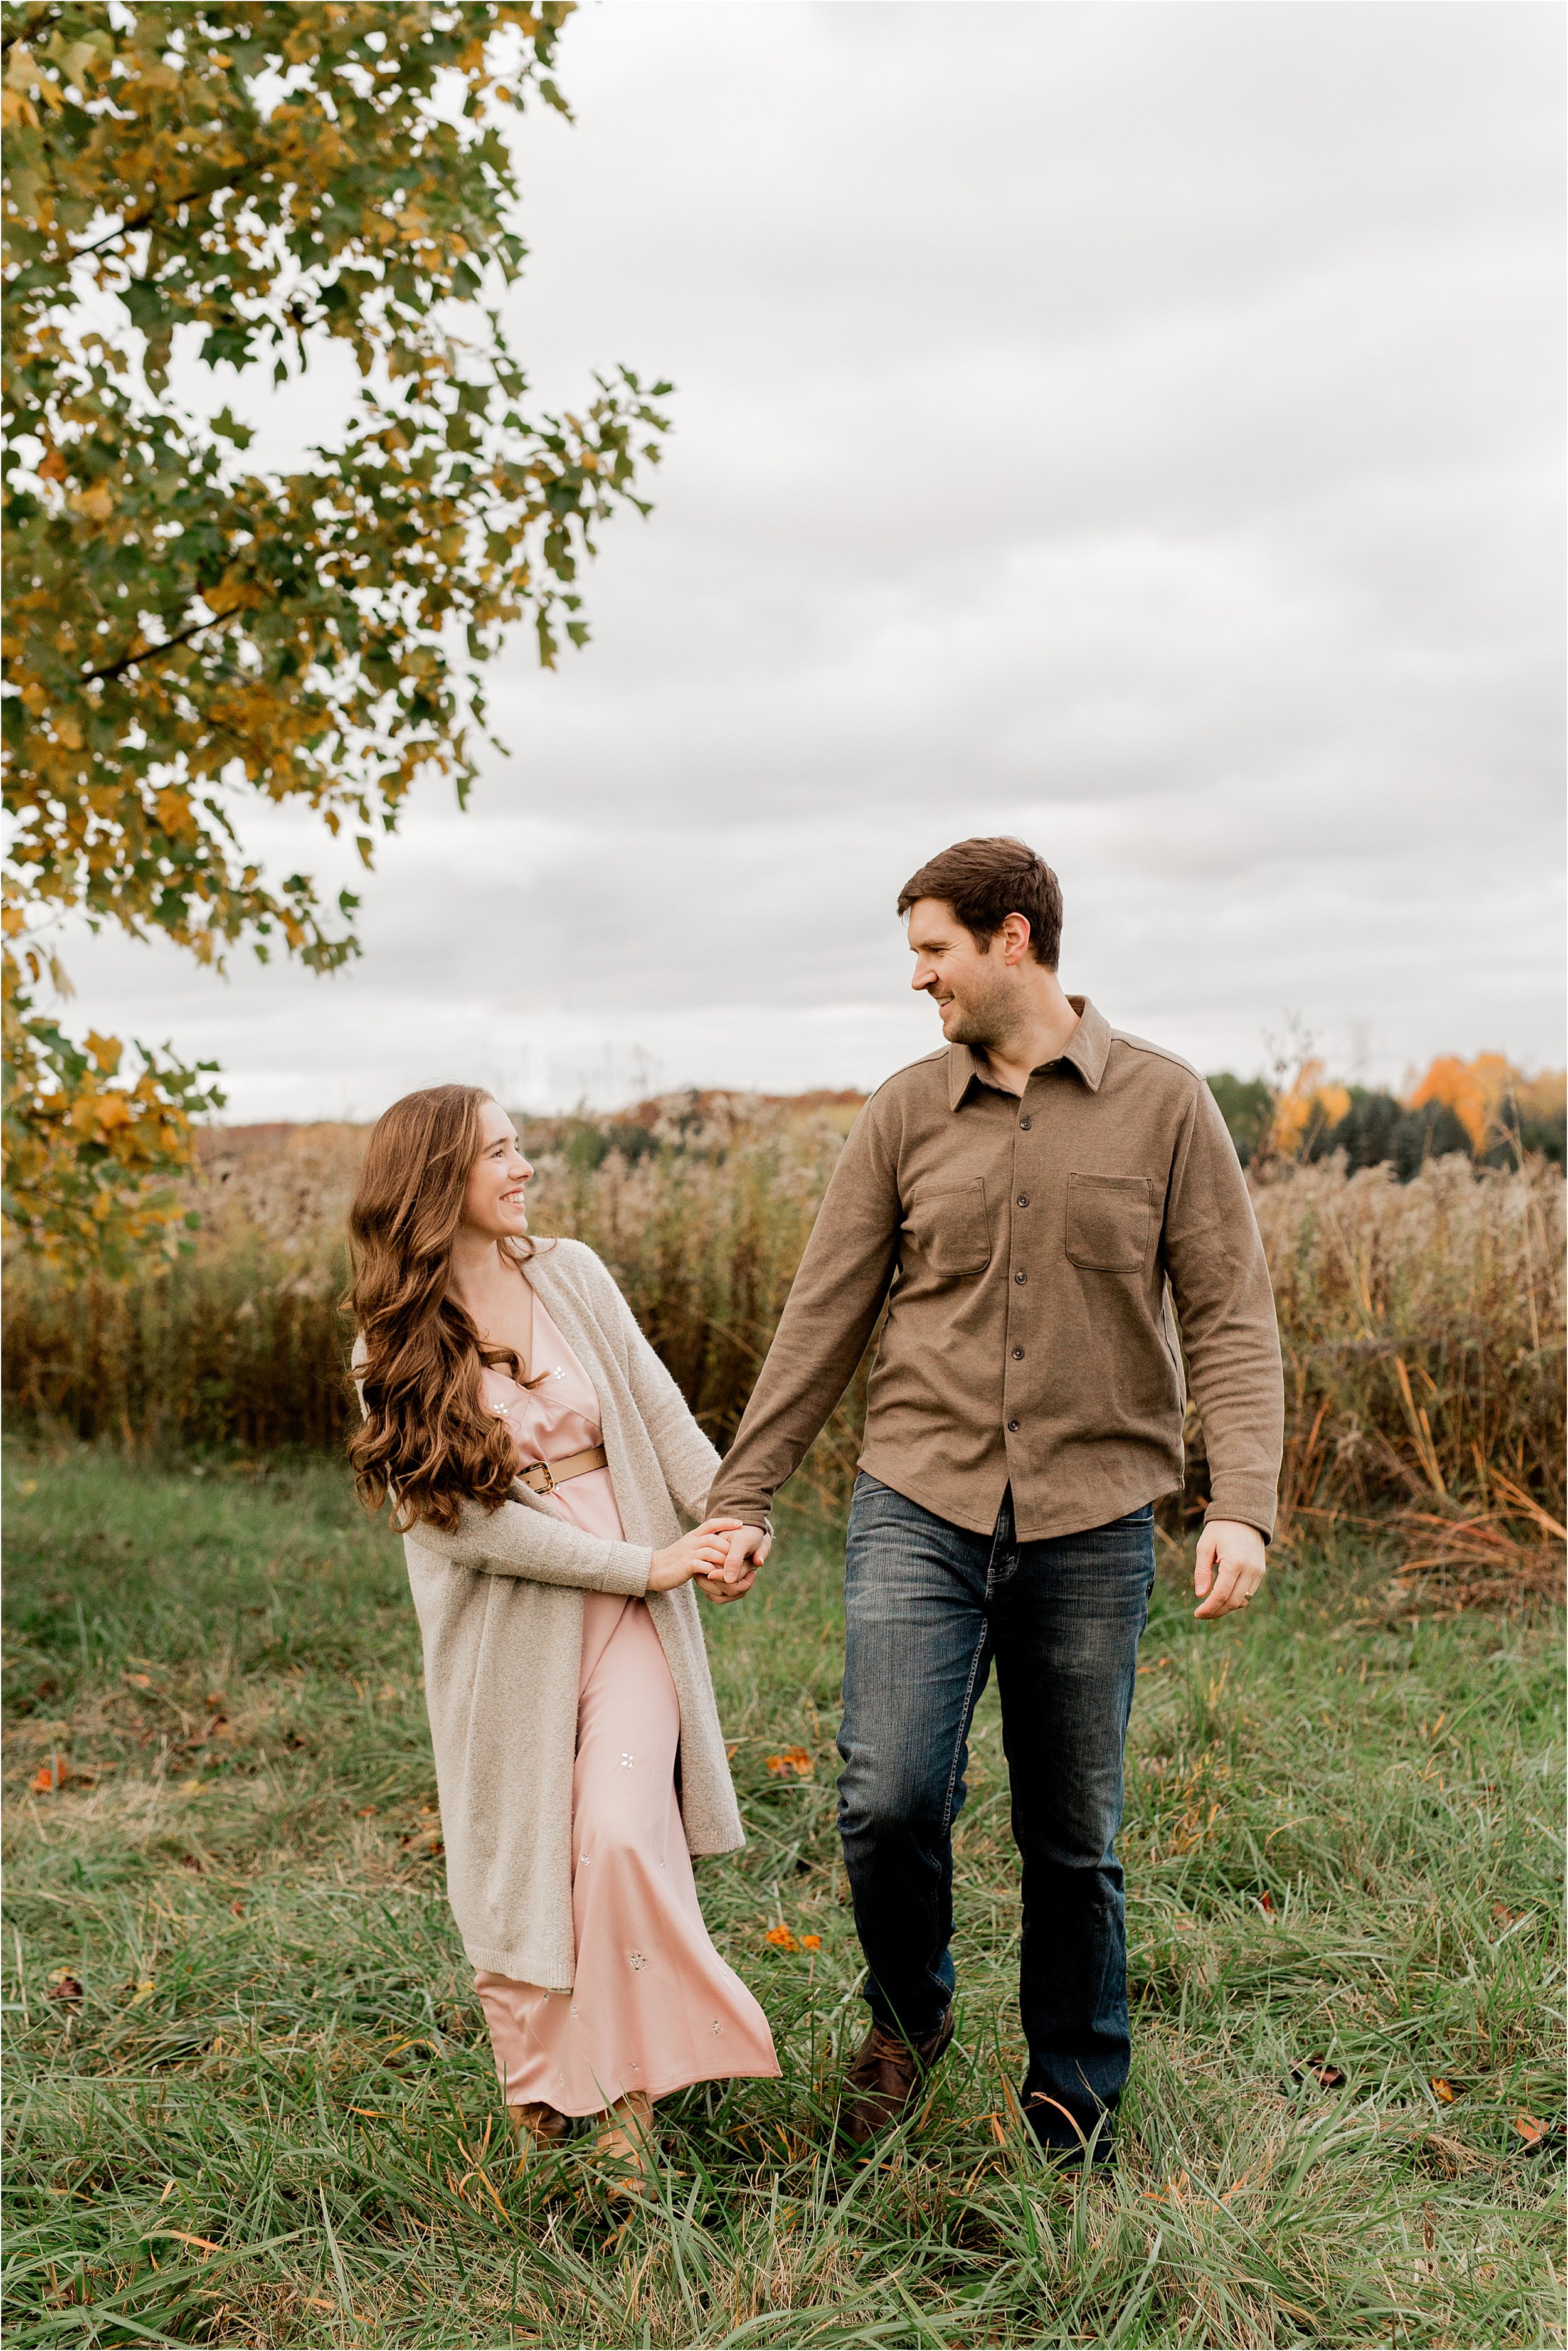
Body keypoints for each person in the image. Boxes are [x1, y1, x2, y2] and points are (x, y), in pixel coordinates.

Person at [704, 837, 1284, 2163]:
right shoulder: (904, 1111)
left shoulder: (1165, 1104)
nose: (916, 978)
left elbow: (1231, 1318)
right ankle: (906, 2020)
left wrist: (1236, 1499)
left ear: (1011, 937)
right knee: (888, 1797)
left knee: (1069, 1832)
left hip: (1092, 1514)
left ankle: (1070, 2091)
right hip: (919, 1497)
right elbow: (823, 1313)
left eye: (931, 950)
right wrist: (747, 1491)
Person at [347, 1085, 778, 2194]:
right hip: (508, 1636)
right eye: (499, 1152)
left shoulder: (570, 1273)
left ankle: (633, 2107)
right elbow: (475, 1529)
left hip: (633, 1614)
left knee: (624, 1837)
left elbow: (663, 1417)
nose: (523, 1166)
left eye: (520, 1144)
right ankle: (542, 2091)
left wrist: (729, 1524)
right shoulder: (389, 1345)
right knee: (525, 1859)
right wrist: (647, 1561)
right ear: (438, 1179)